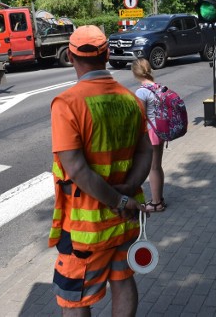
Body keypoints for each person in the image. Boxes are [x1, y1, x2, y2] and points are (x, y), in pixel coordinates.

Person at [49, 25, 153, 316]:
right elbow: (146, 150)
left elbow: (77, 169)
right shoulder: (130, 100)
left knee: (75, 299)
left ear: (71, 57)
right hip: (126, 219)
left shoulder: (67, 104)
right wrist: (129, 190)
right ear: (107, 55)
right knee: (123, 280)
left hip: (86, 229)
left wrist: (117, 200)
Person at [131, 58, 167, 212]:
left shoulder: (142, 91)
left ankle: (156, 203)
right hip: (160, 129)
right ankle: (159, 199)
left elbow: (141, 116)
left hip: (151, 132)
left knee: (153, 167)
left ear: (135, 73)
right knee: (157, 166)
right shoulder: (158, 87)